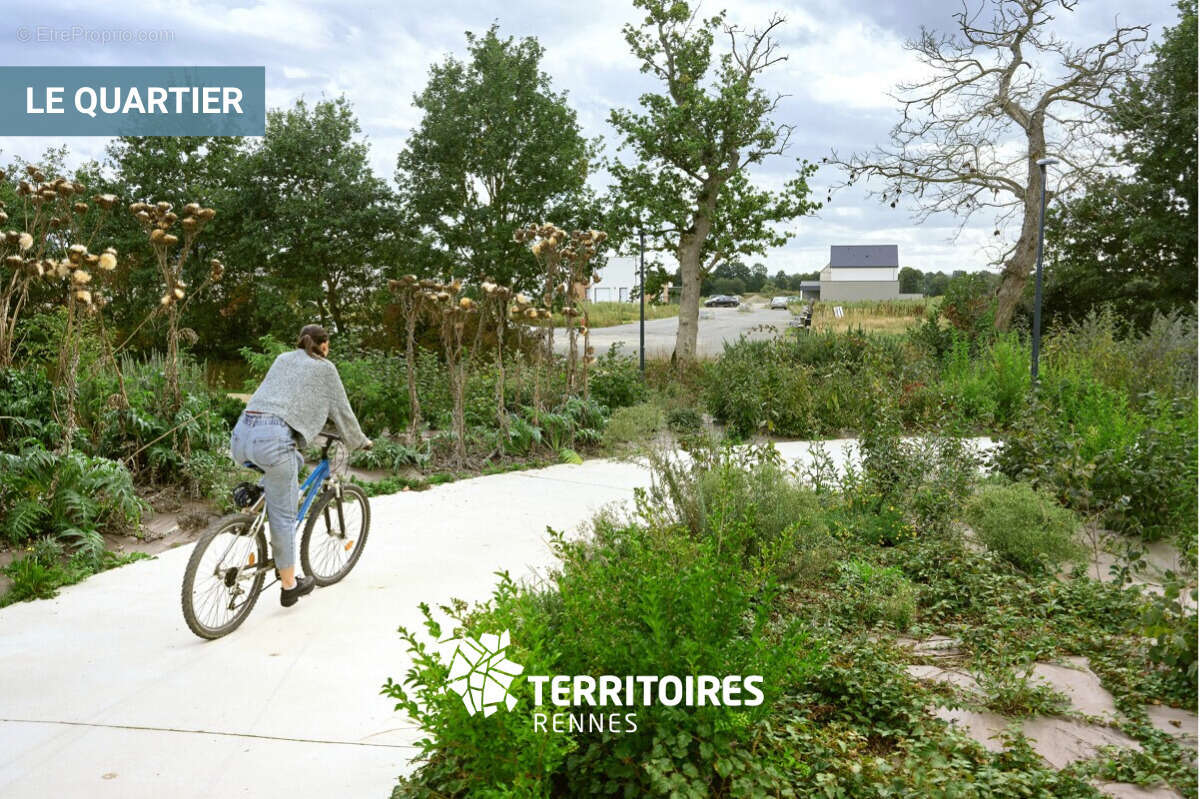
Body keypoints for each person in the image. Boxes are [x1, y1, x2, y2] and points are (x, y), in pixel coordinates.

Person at [230, 324, 371, 607]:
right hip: (273, 440)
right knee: (284, 517)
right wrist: (360, 441)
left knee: (290, 461)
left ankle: (256, 497)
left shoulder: (283, 359)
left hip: (241, 435)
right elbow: (342, 411)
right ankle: (289, 586)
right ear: (323, 345)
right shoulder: (325, 368)